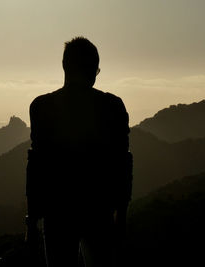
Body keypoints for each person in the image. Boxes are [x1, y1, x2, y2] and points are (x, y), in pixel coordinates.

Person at [26, 36, 132, 267]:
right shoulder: (113, 106)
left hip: (58, 213)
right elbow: (123, 163)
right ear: (93, 69)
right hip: (99, 212)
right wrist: (121, 216)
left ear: (65, 66)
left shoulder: (41, 107)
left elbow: (37, 165)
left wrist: (32, 221)